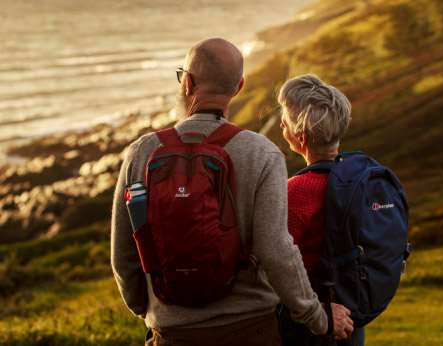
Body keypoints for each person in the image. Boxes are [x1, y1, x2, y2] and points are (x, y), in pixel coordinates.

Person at [111, 38, 354, 346]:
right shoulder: (262, 153)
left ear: (187, 82)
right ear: (239, 87)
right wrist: (318, 318)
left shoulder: (141, 152)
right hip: (252, 330)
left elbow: (123, 256)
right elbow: (276, 250)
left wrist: (150, 311)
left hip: (171, 333)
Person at [276, 74, 365, 346]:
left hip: (309, 323)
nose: (281, 123)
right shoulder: (362, 180)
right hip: (353, 312)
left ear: (301, 137)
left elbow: (278, 263)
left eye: (286, 122)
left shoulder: (296, 190)